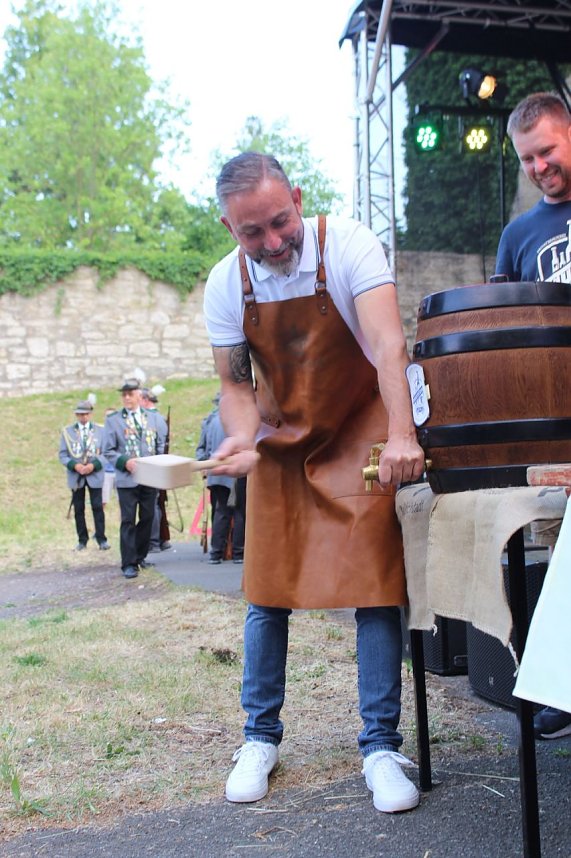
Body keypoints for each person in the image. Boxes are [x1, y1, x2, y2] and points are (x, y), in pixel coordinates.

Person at [203, 152, 425, 812]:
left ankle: (380, 746)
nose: (272, 243)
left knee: (376, 588)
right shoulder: (225, 283)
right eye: (252, 233)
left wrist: (404, 435)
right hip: (278, 441)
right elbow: (234, 385)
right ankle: (259, 738)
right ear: (227, 228)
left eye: (280, 222)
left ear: (297, 198)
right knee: (265, 593)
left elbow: (389, 347)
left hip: (360, 430)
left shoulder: (348, 244)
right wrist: (240, 436)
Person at [495, 91, 571, 740]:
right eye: (526, 158)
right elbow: (502, 330)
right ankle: (561, 688)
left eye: (546, 150)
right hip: (553, 420)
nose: (538, 166)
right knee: (557, 548)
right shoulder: (517, 235)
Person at [103, 378, 167, 579]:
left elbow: (159, 445)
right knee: (128, 520)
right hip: (127, 478)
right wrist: (124, 461)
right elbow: (108, 450)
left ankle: (140, 556)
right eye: (124, 394)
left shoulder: (153, 418)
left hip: (149, 477)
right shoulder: (113, 420)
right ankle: (128, 563)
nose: (127, 398)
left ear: (140, 396)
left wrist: (157, 465)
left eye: (131, 394)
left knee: (148, 517)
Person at [195, 393, 246, 565]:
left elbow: (201, 449)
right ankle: (238, 553)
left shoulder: (209, 421)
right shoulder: (238, 422)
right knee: (239, 512)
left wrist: (204, 467)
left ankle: (216, 553)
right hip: (234, 473)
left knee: (220, 511)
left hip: (214, 474)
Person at [58, 398, 110, 551]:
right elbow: (63, 455)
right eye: (80, 414)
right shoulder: (67, 432)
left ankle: (101, 538)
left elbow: (107, 452)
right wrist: (76, 466)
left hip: (95, 474)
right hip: (76, 476)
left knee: (97, 507)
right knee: (78, 509)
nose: (83, 417)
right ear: (76, 415)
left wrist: (94, 465)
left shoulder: (101, 431)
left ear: (91, 414)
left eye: (86, 414)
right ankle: (82, 540)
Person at [140, 386, 171, 553]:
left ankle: (153, 541)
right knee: (155, 504)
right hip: (157, 465)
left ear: (145, 401)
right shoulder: (158, 418)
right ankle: (159, 539)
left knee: (152, 505)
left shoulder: (150, 419)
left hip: (152, 465)